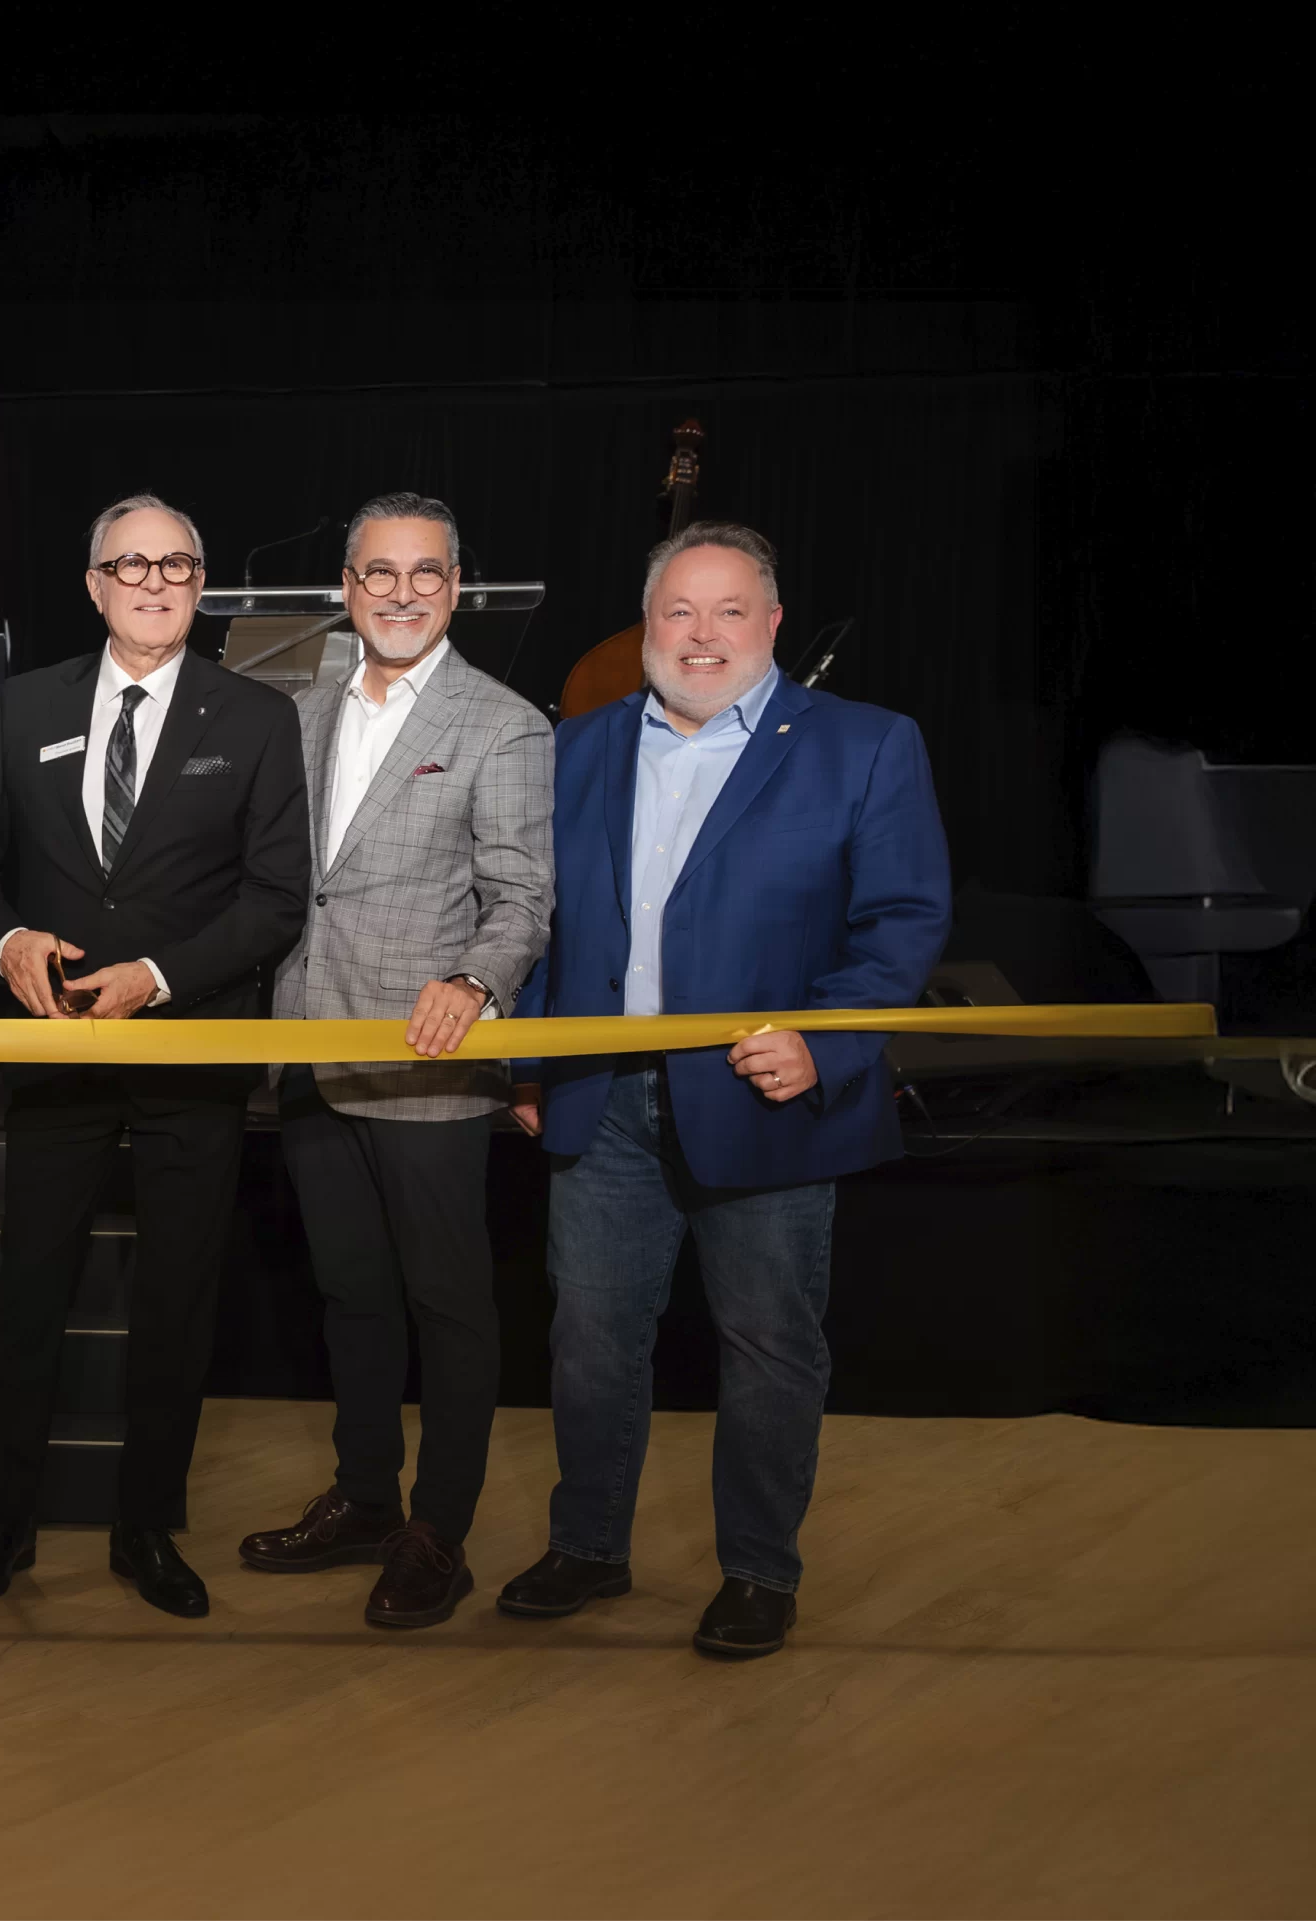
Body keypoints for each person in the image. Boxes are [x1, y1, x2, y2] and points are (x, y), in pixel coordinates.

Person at [502, 521, 950, 1658]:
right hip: (600, 1098)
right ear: (644, 626)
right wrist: (525, 1063)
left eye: (728, 611)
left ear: (772, 624)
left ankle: (757, 1570)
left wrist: (825, 1045)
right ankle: (590, 1546)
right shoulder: (578, 748)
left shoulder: (865, 744)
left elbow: (900, 925)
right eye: (677, 613)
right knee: (591, 1343)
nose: (701, 637)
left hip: (768, 1099)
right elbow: (541, 924)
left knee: (767, 1345)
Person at [0, 492, 309, 1618]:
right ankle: (4, 1523)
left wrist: (160, 979)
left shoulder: (255, 716)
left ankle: (146, 1527)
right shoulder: (26, 703)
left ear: (201, 588)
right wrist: (5, 943)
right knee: (28, 1294)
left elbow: (275, 897)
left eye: (178, 565)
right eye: (130, 564)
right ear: (93, 585)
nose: (153, 581)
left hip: (191, 1049)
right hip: (54, 1049)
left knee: (177, 1301)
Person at [239, 491, 553, 1629]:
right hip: (313, 1049)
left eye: (425, 574)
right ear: (347, 589)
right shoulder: (301, 708)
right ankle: (367, 1497)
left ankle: (439, 1531)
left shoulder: (503, 722)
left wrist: (474, 983)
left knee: (447, 1305)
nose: (402, 593)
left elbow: (523, 897)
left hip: (428, 1065)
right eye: (380, 575)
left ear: (455, 588)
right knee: (351, 1296)